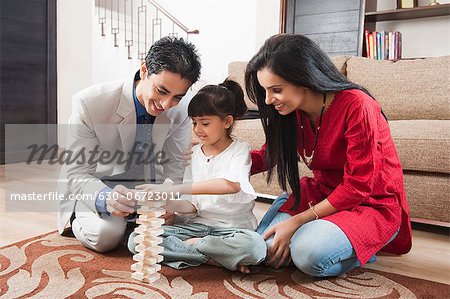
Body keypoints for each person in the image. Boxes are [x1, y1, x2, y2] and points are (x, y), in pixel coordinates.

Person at [245, 34, 412, 277]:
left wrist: (297, 221)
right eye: (265, 91)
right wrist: (219, 157)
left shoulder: (357, 106)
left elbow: (357, 187)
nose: (269, 100)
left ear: (303, 78)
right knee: (265, 250)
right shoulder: (292, 113)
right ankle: (319, 232)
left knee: (308, 255)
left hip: (369, 204)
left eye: (276, 90)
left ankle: (366, 246)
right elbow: (268, 155)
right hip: (322, 195)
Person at [57, 36, 201, 253]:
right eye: (162, 91)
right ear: (144, 70)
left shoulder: (182, 111)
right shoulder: (89, 103)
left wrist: (168, 201)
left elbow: (174, 166)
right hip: (97, 185)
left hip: (144, 189)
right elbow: (77, 173)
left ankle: (132, 221)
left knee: (188, 223)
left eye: (176, 97)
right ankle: (80, 215)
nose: (166, 104)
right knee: (107, 236)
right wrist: (105, 198)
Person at [128, 79, 266, 274]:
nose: (198, 130)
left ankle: (193, 249)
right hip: (196, 227)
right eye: (194, 122)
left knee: (256, 248)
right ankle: (211, 257)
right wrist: (165, 201)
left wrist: (174, 189)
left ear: (227, 121)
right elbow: (191, 206)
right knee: (137, 240)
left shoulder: (239, 151)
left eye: (205, 123)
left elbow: (231, 185)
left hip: (233, 230)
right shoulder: (193, 155)